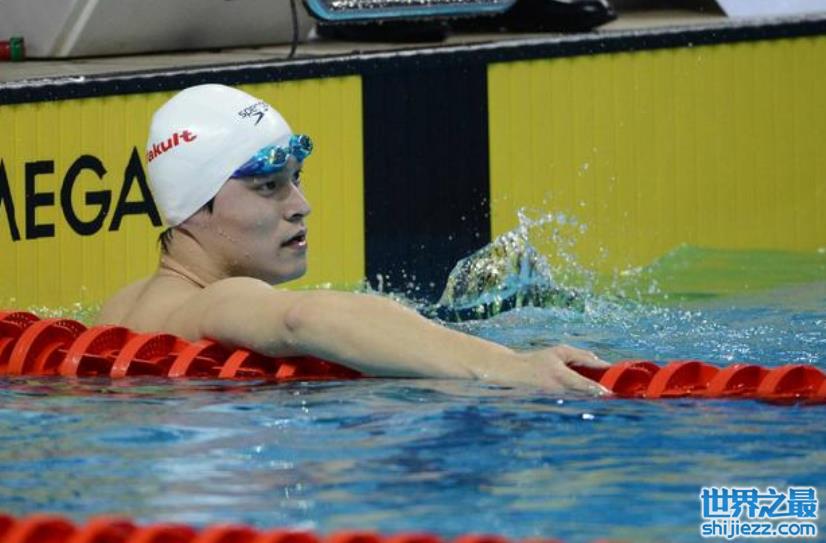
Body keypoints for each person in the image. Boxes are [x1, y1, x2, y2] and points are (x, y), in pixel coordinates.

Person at [96, 84, 610, 394]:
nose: (301, 205)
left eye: (297, 179)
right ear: (193, 207)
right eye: (269, 187)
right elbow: (302, 318)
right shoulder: (216, 300)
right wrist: (504, 365)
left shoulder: (122, 306)